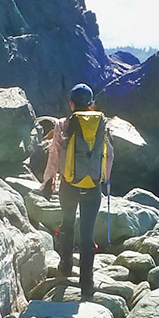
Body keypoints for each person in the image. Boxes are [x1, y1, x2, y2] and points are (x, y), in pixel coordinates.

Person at [41, 83, 113, 301]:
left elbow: (54, 155)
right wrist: (104, 179)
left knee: (68, 223)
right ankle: (86, 285)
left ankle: (65, 268)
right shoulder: (102, 123)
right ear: (91, 104)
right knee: (87, 234)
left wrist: (48, 180)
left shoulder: (63, 125)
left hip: (69, 186)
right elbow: (109, 154)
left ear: (71, 103)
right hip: (92, 186)